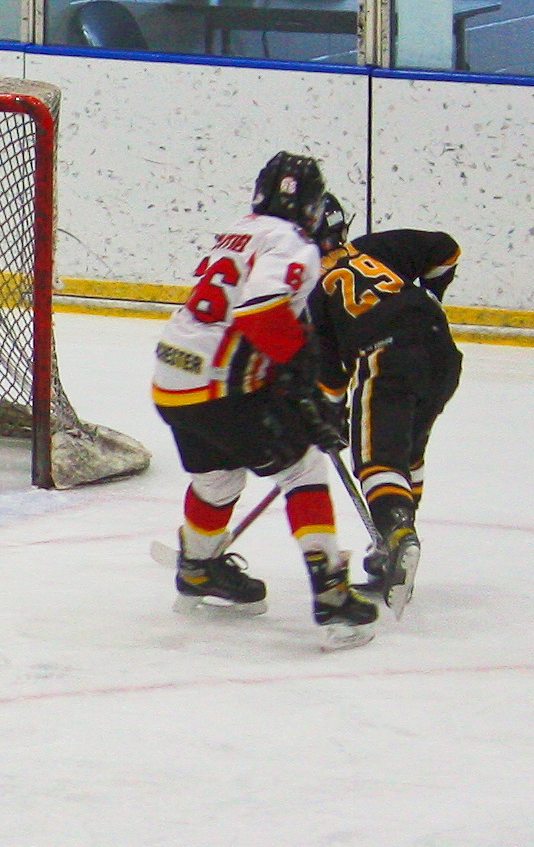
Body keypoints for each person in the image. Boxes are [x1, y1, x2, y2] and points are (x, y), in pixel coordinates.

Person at [150, 152, 379, 651]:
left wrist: (291, 376)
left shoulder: (241, 230)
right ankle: (333, 596)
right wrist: (300, 372)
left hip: (172, 375)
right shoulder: (294, 242)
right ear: (313, 207)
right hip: (219, 384)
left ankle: (199, 568)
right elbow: (260, 312)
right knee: (302, 468)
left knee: (219, 476)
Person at [307, 194, 462, 614]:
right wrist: (432, 295)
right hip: (442, 353)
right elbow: (446, 249)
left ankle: (396, 535)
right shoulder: (378, 247)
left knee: (376, 460)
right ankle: (391, 543)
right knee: (407, 452)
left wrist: (329, 415)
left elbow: (330, 373)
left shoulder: (312, 290)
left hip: (386, 357)